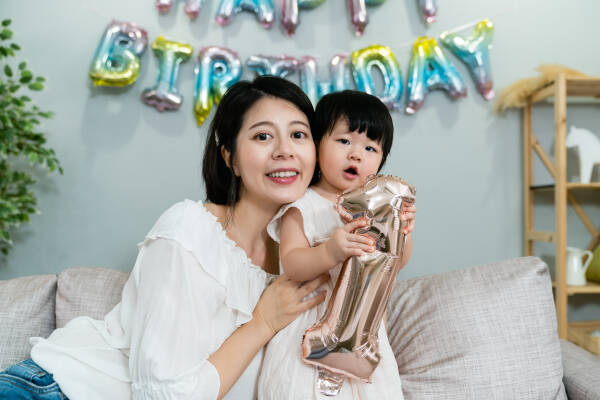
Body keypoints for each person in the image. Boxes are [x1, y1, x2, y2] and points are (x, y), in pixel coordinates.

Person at [0, 76, 329, 400]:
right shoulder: (188, 229)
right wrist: (262, 323)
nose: (285, 150)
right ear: (231, 158)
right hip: (55, 390)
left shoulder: (310, 260)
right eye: (263, 136)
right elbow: (163, 396)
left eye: (299, 134)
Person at [258, 90, 416, 399]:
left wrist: (405, 231)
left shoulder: (379, 206)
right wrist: (331, 251)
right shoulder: (303, 205)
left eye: (370, 147)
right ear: (317, 144)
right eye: (344, 141)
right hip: (309, 327)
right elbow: (292, 263)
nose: (356, 154)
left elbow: (397, 262)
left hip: (361, 331)